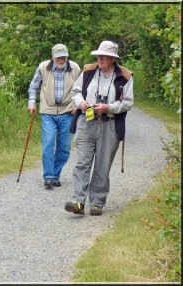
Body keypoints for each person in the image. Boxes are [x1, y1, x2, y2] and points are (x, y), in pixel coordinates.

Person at [65, 40, 134, 216]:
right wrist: (81, 103)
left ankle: (97, 202)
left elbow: (128, 102)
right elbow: (75, 92)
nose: (100, 59)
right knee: (82, 162)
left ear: (113, 59)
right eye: (98, 56)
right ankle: (77, 201)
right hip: (86, 122)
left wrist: (108, 107)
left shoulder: (125, 76)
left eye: (104, 56)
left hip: (109, 124)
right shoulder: (88, 71)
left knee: (102, 166)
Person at [28, 44, 81, 189]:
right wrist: (32, 103)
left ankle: (56, 174)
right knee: (48, 143)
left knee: (64, 148)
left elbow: (82, 89)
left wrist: (77, 105)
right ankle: (48, 177)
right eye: (58, 57)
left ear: (67, 56)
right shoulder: (43, 67)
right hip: (48, 112)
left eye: (64, 56)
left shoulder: (75, 68)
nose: (61, 59)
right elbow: (33, 87)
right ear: (52, 56)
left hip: (67, 112)